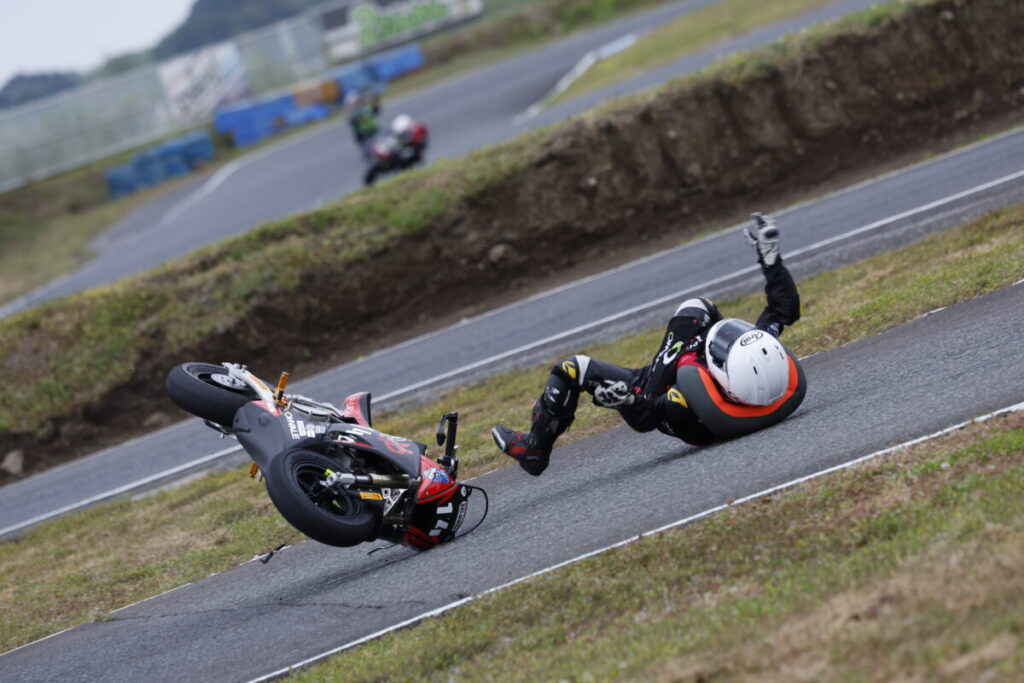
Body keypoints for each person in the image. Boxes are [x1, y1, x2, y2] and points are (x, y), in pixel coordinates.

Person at [491, 212, 802, 476]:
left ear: (728, 382)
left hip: (650, 396)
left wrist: (625, 401)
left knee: (570, 369)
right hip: (670, 376)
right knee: (701, 308)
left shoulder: (684, 400)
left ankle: (535, 449)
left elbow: (647, 419)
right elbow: (782, 311)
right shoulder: (753, 363)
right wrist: (770, 259)